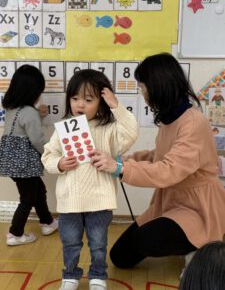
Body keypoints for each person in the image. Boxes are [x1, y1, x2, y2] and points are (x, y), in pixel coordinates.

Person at [89, 53, 225, 275]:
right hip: (171, 201)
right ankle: (189, 240)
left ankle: (200, 247)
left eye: (143, 88)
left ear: (159, 85)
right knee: (120, 257)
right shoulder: (170, 117)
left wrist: (120, 168)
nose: (143, 94)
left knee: (147, 239)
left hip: (198, 207)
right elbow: (159, 156)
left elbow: (168, 170)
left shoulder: (193, 123)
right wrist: (122, 161)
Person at [41, 69, 138, 290]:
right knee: (70, 243)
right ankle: (70, 275)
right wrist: (59, 163)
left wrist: (117, 106)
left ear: (102, 102)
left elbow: (131, 131)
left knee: (98, 244)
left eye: (88, 99)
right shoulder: (63, 128)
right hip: (70, 202)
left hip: (99, 201)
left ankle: (98, 275)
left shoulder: (110, 129)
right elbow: (48, 156)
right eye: (75, 98)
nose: (80, 105)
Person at [1, 65, 58, 246]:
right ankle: (15, 233)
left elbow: (22, 129)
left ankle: (47, 222)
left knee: (38, 191)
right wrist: (50, 155)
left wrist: (39, 116)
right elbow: (37, 140)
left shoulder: (12, 109)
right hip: (25, 164)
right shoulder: (30, 113)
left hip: (11, 163)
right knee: (27, 198)